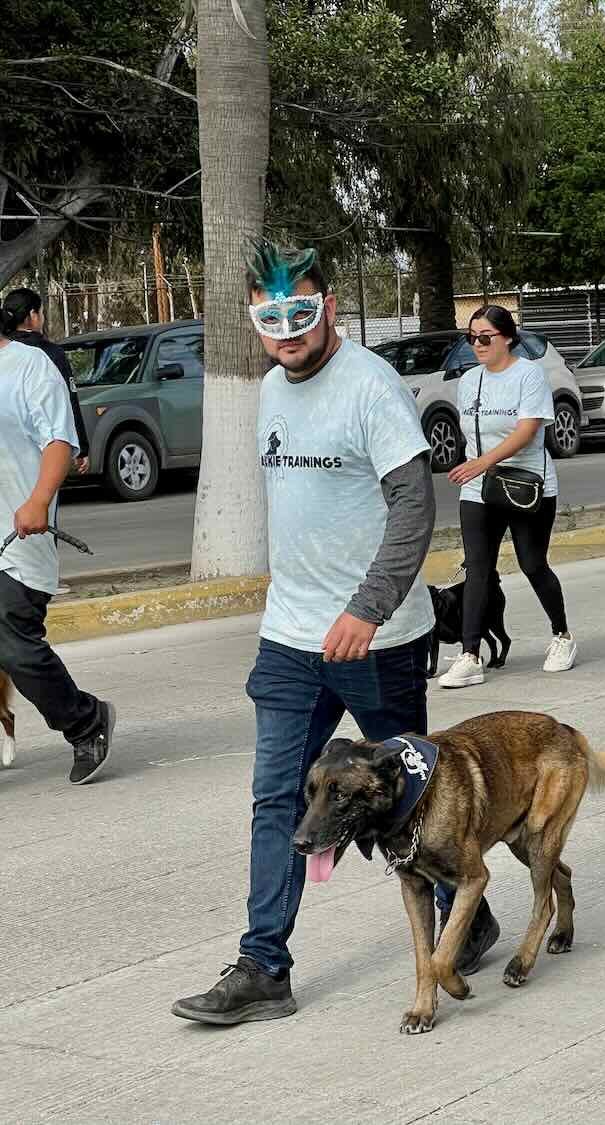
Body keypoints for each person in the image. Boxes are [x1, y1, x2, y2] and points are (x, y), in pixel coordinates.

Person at [173, 241, 499, 1026]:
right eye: (269, 316)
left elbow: (414, 508)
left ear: (328, 308)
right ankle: (263, 967)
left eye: (300, 311)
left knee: (417, 802)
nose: (286, 329)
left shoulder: (370, 386)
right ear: (255, 321)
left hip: (377, 641)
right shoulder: (269, 393)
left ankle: (469, 910)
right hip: (289, 638)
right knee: (276, 795)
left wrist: (367, 607)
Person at [0, 302, 114, 784]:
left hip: (17, 536)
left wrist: (39, 501)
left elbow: (59, 441)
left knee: (15, 645)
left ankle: (86, 722)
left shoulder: (27, 365)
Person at [440, 304, 575, 687]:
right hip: (478, 486)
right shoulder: (469, 380)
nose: (478, 344)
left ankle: (562, 636)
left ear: (508, 338)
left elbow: (528, 431)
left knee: (532, 563)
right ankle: (469, 655)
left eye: (485, 337)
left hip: (525, 484)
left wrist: (483, 462)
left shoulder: (528, 375)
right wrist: (475, 466)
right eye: (472, 338)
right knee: (477, 567)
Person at [2, 288, 89, 472]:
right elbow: (69, 400)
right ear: (32, 315)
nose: (43, 318)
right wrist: (82, 448)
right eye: (41, 312)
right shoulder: (49, 354)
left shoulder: (5, 350)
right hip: (41, 452)